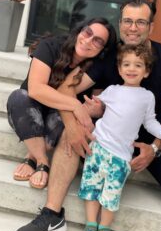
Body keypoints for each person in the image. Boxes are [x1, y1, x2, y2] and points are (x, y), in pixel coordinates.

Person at [14, 0, 161, 231]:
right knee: (73, 134)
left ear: (151, 27)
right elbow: (68, 88)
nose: (132, 27)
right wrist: (71, 125)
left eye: (140, 22)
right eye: (127, 21)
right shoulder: (107, 56)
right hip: (107, 139)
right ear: (121, 23)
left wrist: (155, 147)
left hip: (154, 136)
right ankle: (52, 215)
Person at [78, 43, 161, 231]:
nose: (131, 69)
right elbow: (94, 106)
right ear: (119, 69)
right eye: (126, 64)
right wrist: (87, 108)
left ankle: (104, 229)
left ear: (146, 72)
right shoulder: (111, 91)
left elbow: (150, 123)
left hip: (121, 156)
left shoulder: (147, 97)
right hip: (98, 147)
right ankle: (91, 225)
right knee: (92, 187)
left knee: (112, 192)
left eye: (138, 65)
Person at [7, 17, 117, 190]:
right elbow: (35, 89)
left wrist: (97, 108)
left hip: (57, 121)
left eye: (97, 41)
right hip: (28, 112)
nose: (88, 41)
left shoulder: (97, 66)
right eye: (87, 32)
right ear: (80, 30)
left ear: (103, 50)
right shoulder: (51, 46)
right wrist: (75, 105)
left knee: (68, 115)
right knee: (19, 96)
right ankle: (42, 161)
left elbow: (97, 101)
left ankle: (32, 157)